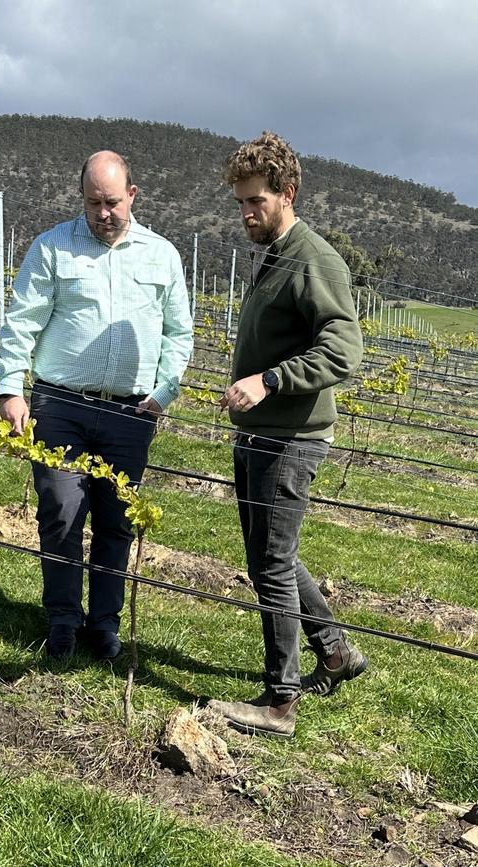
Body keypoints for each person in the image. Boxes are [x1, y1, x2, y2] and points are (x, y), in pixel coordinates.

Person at [0, 150, 193, 661]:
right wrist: (10, 388)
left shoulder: (162, 255)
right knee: (60, 511)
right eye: (92, 203)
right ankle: (62, 618)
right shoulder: (52, 248)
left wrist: (165, 391)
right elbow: (22, 321)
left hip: (131, 413)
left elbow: (179, 333)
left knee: (115, 520)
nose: (102, 213)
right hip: (61, 403)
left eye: (111, 202)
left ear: (132, 195)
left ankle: (104, 624)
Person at [208, 132, 367, 738]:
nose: (246, 213)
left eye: (256, 202)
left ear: (287, 193)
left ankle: (279, 703)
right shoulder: (273, 253)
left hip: (290, 437)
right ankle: (335, 652)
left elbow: (344, 350)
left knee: (272, 562)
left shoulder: (312, 259)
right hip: (261, 433)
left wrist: (271, 380)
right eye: (240, 202)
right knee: (268, 558)